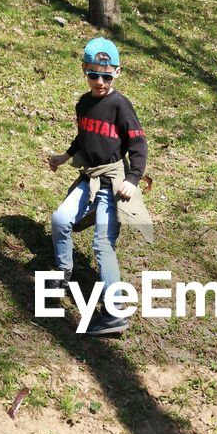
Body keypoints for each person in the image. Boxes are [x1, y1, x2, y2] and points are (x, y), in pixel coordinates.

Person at [47, 38, 150, 336]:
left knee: (102, 244)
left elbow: (138, 144)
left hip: (114, 183)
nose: (100, 81)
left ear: (117, 73)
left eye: (106, 75)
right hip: (89, 177)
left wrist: (133, 179)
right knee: (60, 219)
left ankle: (115, 313)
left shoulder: (120, 105)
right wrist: (65, 157)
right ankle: (63, 272)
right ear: (84, 71)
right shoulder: (83, 103)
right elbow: (83, 136)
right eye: (93, 74)